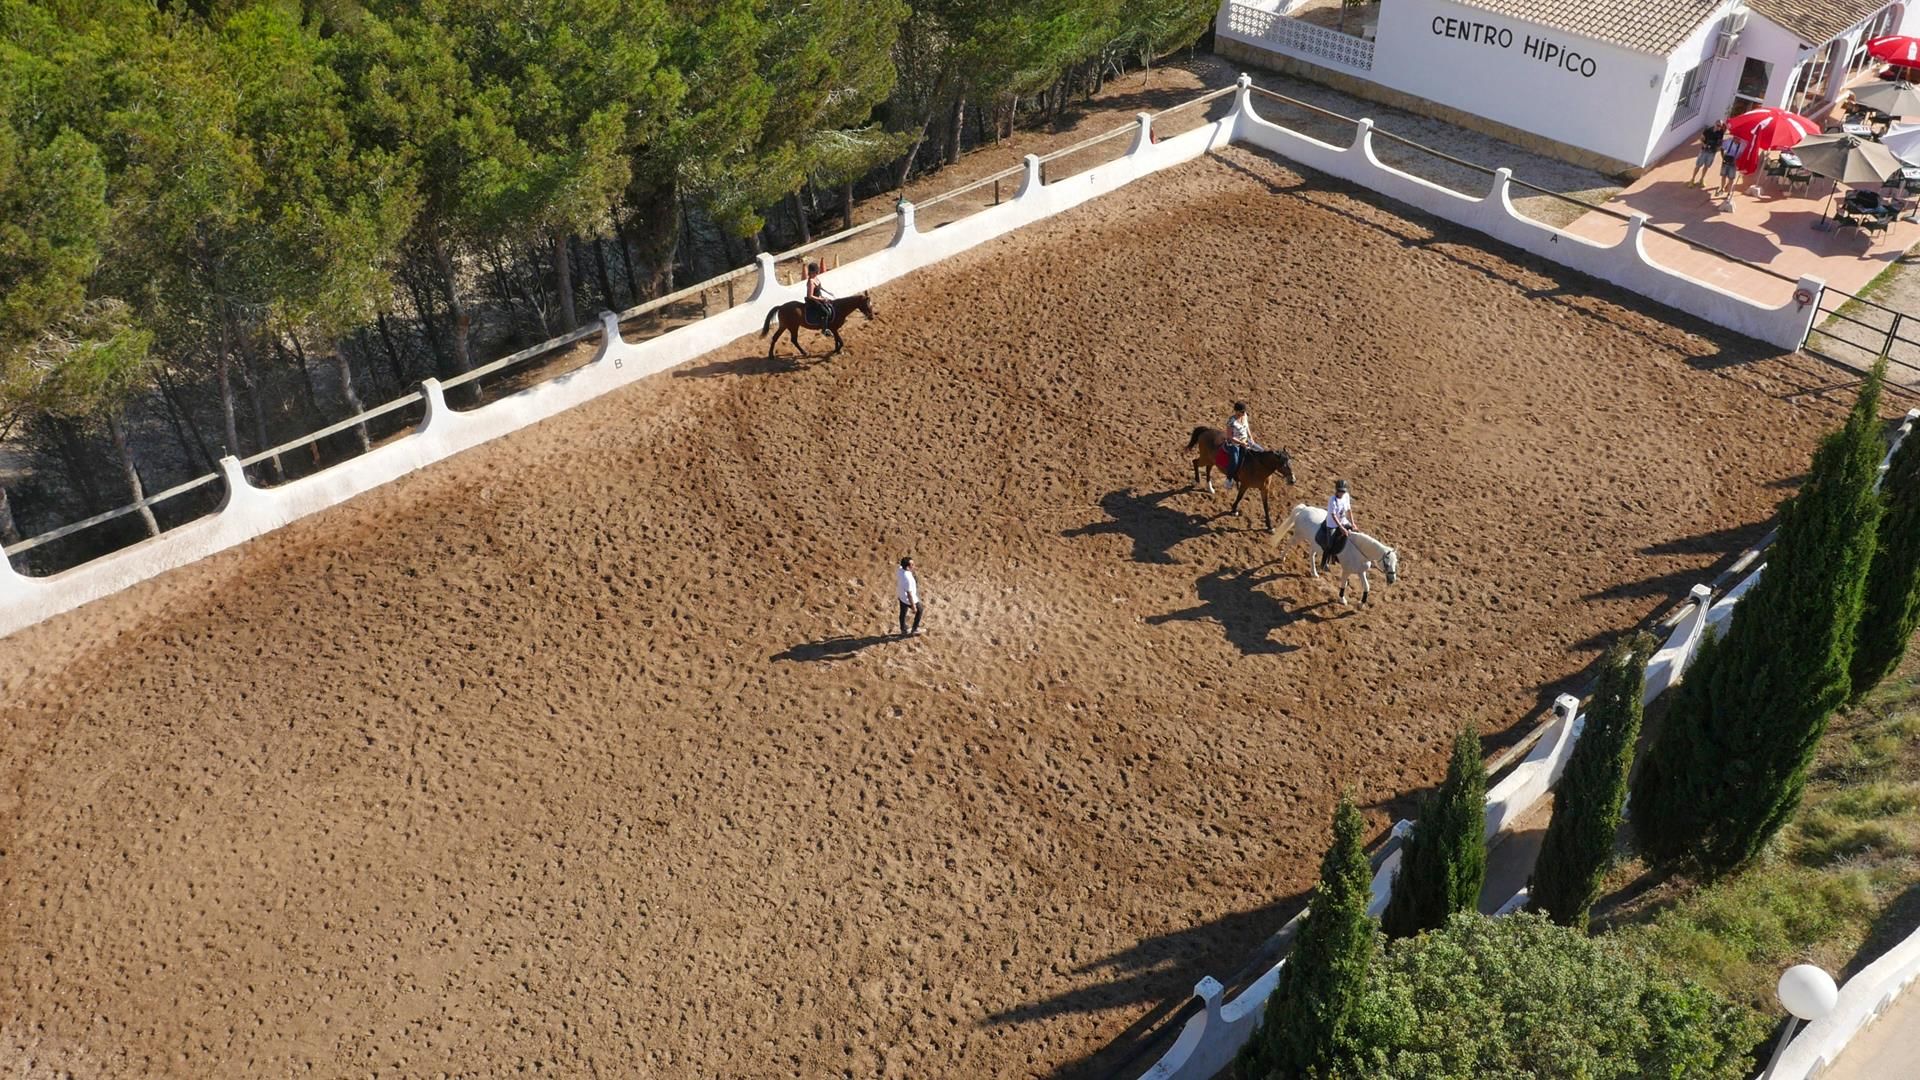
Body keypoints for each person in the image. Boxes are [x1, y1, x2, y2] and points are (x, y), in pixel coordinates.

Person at [1319, 479, 1354, 572]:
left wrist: (1353, 523)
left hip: (1343, 520)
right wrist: (1341, 527)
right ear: (1336, 490)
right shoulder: (1332, 500)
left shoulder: (1346, 496)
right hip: (1332, 524)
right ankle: (1324, 563)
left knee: (1354, 534)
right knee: (1329, 544)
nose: (1341, 493)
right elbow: (1333, 515)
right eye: (1339, 491)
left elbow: (1349, 510)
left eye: (1343, 491)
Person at [1224, 401, 1262, 486]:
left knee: (1261, 451)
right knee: (1235, 460)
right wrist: (1241, 443)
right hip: (1234, 443)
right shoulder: (1231, 421)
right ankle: (1229, 478)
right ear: (1236, 411)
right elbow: (1230, 436)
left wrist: (1251, 438)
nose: (1244, 413)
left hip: (1246, 440)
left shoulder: (1244, 416)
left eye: (1244, 411)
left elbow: (1247, 427)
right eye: (1242, 411)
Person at [1690, 120, 1725, 186]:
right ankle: (1692, 179)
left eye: (1720, 126)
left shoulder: (1721, 132)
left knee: (1706, 166)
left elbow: (1720, 142)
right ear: (1715, 124)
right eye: (1718, 125)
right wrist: (1704, 144)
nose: (1719, 127)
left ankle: (1702, 179)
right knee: (1698, 165)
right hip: (1704, 151)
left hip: (1712, 152)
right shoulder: (1708, 130)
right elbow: (1701, 138)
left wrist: (1719, 147)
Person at [896, 556, 924, 637]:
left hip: (901, 596)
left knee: (903, 613)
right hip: (908, 599)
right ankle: (914, 629)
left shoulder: (900, 570)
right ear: (908, 567)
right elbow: (909, 594)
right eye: (912, 564)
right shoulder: (908, 579)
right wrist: (913, 606)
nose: (914, 565)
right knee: (920, 610)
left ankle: (903, 629)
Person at [803, 261, 834, 329]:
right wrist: (821, 299)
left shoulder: (816, 278)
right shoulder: (811, 282)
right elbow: (810, 296)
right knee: (825, 312)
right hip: (813, 301)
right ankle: (824, 329)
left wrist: (828, 292)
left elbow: (820, 287)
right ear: (811, 272)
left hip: (819, 297)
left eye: (816, 272)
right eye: (814, 272)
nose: (816, 273)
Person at [1715, 133, 1744, 199]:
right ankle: (1722, 188)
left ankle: (1729, 192)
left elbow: (1742, 155)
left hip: (1733, 164)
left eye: (1737, 138)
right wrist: (1723, 157)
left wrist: (1737, 161)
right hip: (1726, 162)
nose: (1735, 139)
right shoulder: (1728, 142)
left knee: (1731, 178)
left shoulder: (1742, 146)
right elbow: (1722, 148)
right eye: (1735, 138)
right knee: (1723, 176)